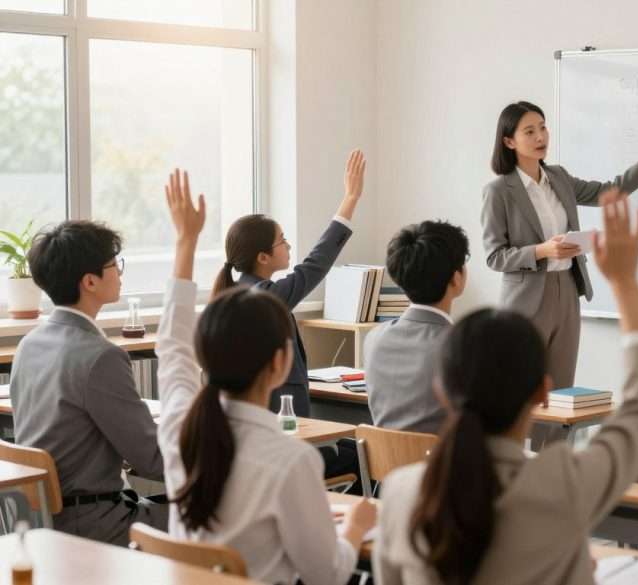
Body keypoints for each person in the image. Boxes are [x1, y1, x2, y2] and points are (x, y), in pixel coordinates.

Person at [374, 191, 638, 585]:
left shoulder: (399, 495)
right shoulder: (560, 485)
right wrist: (624, 283)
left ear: (443, 390)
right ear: (542, 392)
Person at [157, 169, 376, 585]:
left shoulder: (178, 431)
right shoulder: (291, 461)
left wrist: (185, 242)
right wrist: (356, 526)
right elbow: (326, 574)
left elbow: (172, 348)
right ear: (279, 363)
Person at [480, 100, 638, 390]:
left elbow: (607, 192)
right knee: (523, 390)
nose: (541, 137)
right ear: (509, 141)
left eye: (543, 127)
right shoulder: (498, 191)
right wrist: (542, 250)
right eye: (530, 131)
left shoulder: (558, 177)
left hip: (567, 289)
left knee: (561, 387)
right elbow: (495, 256)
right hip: (526, 299)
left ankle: (554, 440)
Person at [11, 220, 166, 546]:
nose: (120, 274)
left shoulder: (30, 344)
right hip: (97, 525)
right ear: (90, 281)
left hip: (45, 524)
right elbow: (152, 459)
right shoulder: (100, 356)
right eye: (114, 265)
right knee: (228, 513)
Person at [211, 149, 367, 418]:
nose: (288, 245)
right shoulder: (264, 297)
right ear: (262, 257)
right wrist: (350, 199)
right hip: (283, 414)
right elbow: (315, 265)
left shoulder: (239, 294)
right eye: (282, 240)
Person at [364, 220, 469, 433]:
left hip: (386, 465)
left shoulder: (374, 338)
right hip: (447, 464)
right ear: (456, 278)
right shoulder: (464, 345)